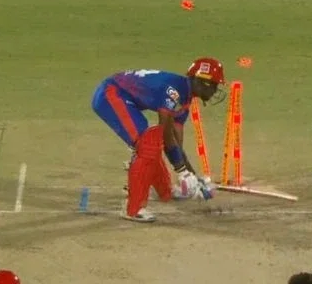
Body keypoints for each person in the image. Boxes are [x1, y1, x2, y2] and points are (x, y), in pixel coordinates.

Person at [90, 58, 223, 223]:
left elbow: (175, 144)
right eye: (214, 85)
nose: (215, 91)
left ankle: (165, 191)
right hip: (110, 94)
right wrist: (182, 171)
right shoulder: (173, 91)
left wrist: (193, 176)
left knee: (151, 143)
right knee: (147, 145)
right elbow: (166, 132)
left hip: (121, 97)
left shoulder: (185, 99)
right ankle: (133, 208)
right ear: (201, 82)